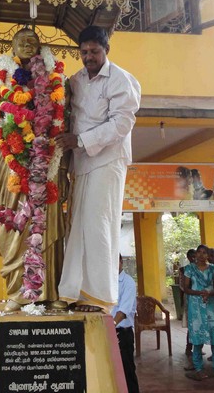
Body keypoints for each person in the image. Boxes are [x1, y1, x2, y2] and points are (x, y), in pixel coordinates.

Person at [56, 25, 141, 312]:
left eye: (94, 51)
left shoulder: (120, 80)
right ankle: (75, 292)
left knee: (98, 224)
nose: (88, 57)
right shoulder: (76, 80)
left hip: (107, 161)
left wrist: (80, 140)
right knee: (77, 225)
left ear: (106, 50)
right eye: (84, 52)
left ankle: (99, 297)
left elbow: (122, 123)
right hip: (81, 162)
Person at [0, 28, 69, 311]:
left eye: (32, 41)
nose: (26, 44)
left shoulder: (55, 81)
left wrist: (45, 137)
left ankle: (51, 291)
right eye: (20, 41)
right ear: (12, 46)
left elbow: (64, 123)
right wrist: (9, 134)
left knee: (48, 224)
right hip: (12, 161)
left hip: (48, 162)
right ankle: (17, 292)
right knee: (15, 225)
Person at [183, 244, 214, 380]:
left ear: (208, 255)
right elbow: (186, 288)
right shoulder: (189, 269)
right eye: (199, 252)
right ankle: (199, 369)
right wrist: (200, 293)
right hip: (196, 306)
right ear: (195, 254)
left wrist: (209, 293)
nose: (201, 255)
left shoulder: (213, 269)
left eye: (204, 252)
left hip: (212, 306)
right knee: (197, 337)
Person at [112, 255, 140, 393]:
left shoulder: (128, 282)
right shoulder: (106, 282)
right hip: (107, 331)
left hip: (122, 333)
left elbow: (123, 312)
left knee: (127, 370)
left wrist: (110, 326)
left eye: (115, 260)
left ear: (121, 262)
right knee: (111, 370)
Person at [179, 249, 196, 370]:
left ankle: (197, 347)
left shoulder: (202, 268)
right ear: (188, 257)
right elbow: (182, 286)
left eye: (195, 256)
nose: (193, 258)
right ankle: (188, 347)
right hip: (189, 297)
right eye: (191, 256)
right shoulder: (184, 269)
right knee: (191, 323)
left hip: (200, 298)